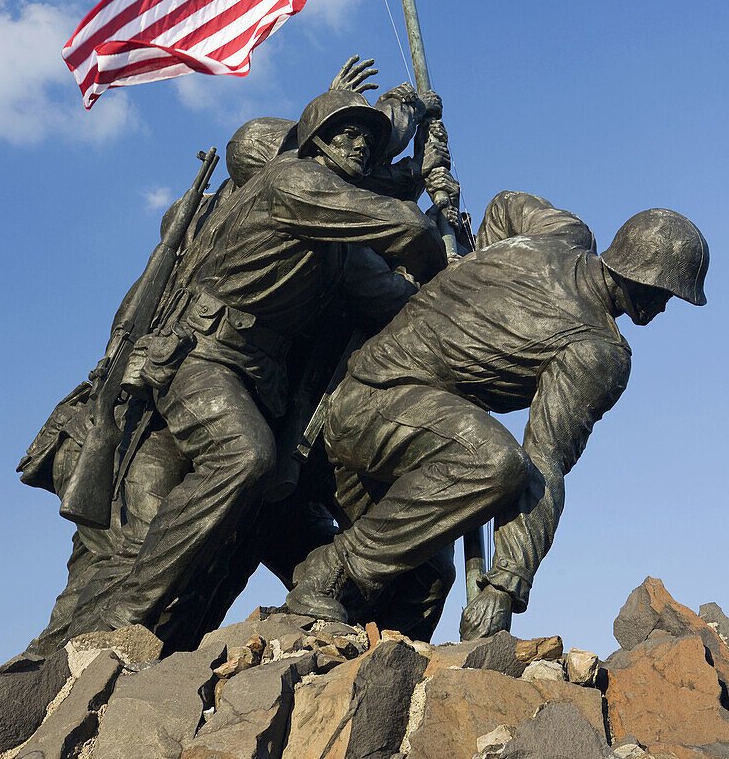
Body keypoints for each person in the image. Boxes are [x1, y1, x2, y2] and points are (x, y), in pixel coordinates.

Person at [66, 86, 446, 636]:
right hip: (204, 355)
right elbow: (405, 227)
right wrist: (429, 219)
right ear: (313, 143)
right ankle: (125, 615)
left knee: (267, 513)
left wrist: (447, 235)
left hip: (261, 380)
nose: (360, 144)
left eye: (367, 136)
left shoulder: (335, 240)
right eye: (346, 132)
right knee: (242, 457)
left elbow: (394, 296)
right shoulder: (294, 181)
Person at [286, 193, 709, 640]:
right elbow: (543, 462)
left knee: (428, 580)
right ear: (637, 275)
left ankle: (367, 658)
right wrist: (505, 586)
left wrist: (473, 265)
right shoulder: (598, 351)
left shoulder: (563, 234)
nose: (664, 307)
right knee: (495, 462)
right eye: (663, 293)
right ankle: (331, 572)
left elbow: (505, 205)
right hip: (376, 407)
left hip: (387, 420)